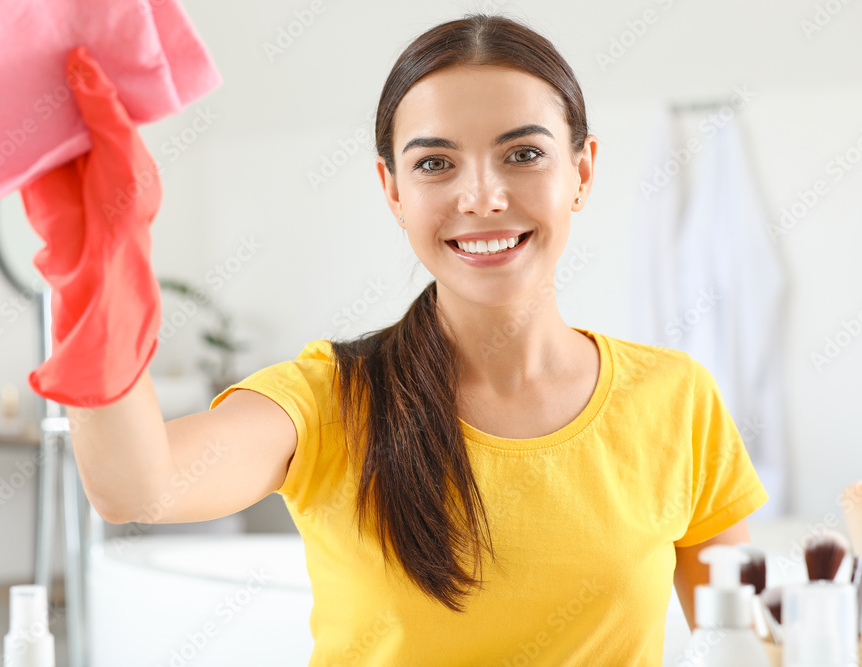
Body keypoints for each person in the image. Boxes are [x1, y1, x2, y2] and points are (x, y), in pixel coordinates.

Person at [52, 13, 768, 665]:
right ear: (392, 191)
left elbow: (751, 650)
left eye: (523, 154)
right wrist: (96, 279)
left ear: (580, 172)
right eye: (435, 163)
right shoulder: (331, 397)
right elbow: (132, 486)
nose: (482, 196)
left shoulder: (676, 398)